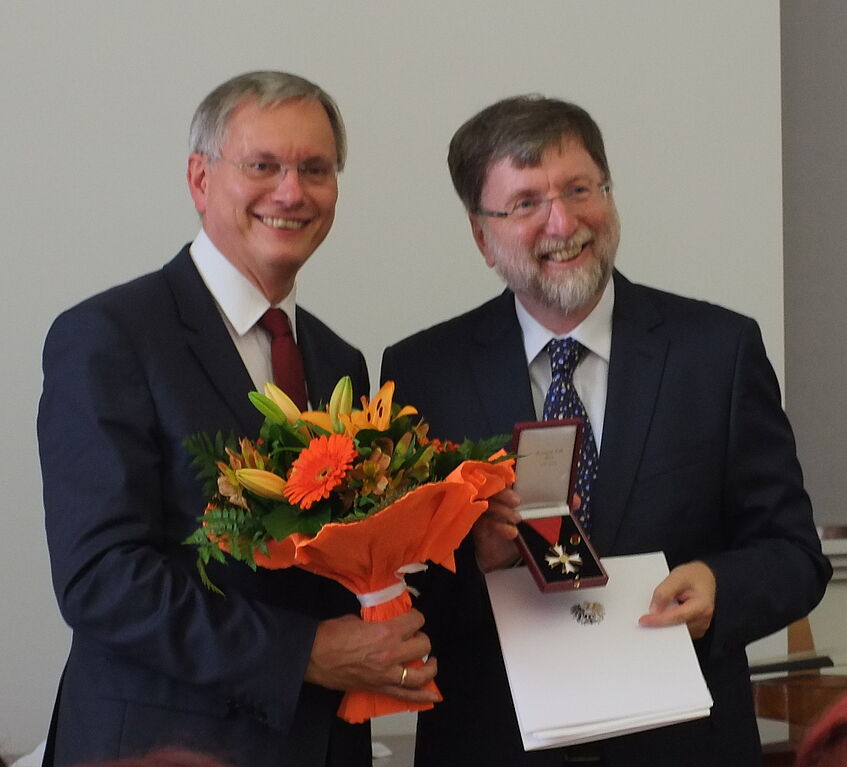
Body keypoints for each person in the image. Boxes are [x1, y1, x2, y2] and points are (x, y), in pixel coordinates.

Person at [381, 95, 832, 766]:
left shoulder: (716, 351)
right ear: (482, 236)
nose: (562, 221)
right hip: (493, 745)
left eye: (579, 188)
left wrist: (717, 584)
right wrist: (474, 558)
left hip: (683, 747)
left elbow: (795, 553)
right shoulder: (421, 374)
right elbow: (398, 590)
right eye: (526, 202)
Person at [37, 71, 437, 767]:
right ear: (200, 179)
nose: (291, 192)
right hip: (162, 745)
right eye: (263, 166)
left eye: (315, 169)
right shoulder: (110, 335)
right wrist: (304, 652)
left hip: (321, 743)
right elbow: (101, 577)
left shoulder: (338, 359)